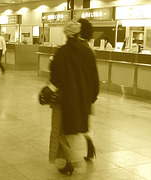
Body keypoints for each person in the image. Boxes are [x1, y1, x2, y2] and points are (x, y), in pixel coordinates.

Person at [49, 20, 99, 176]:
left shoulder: (61, 53)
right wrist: (91, 98)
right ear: (79, 33)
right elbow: (94, 79)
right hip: (82, 99)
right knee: (77, 129)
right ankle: (76, 157)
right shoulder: (88, 52)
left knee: (61, 131)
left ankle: (67, 162)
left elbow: (54, 77)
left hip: (64, 101)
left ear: (66, 34)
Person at [78, 18, 97, 161]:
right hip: (87, 94)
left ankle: (68, 160)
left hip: (76, 93)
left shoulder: (76, 48)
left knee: (68, 125)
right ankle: (90, 147)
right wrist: (93, 96)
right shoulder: (89, 49)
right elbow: (94, 76)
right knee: (85, 122)